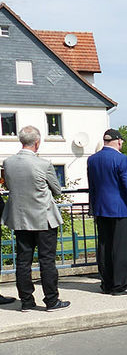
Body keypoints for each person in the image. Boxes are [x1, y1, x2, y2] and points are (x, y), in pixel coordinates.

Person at [0, 126, 70, 311]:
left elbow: (9, 184)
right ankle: (51, 300)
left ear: (21, 141)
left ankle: (27, 301)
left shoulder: (8, 163)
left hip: (20, 218)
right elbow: (57, 190)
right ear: (37, 143)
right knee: (47, 260)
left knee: (23, 260)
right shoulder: (43, 164)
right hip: (43, 219)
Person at [86, 128, 127, 295]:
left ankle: (106, 283)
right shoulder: (121, 159)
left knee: (104, 247)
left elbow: (93, 186)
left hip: (101, 208)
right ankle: (120, 285)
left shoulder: (92, 160)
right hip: (120, 209)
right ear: (118, 141)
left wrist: (93, 207)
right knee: (120, 248)